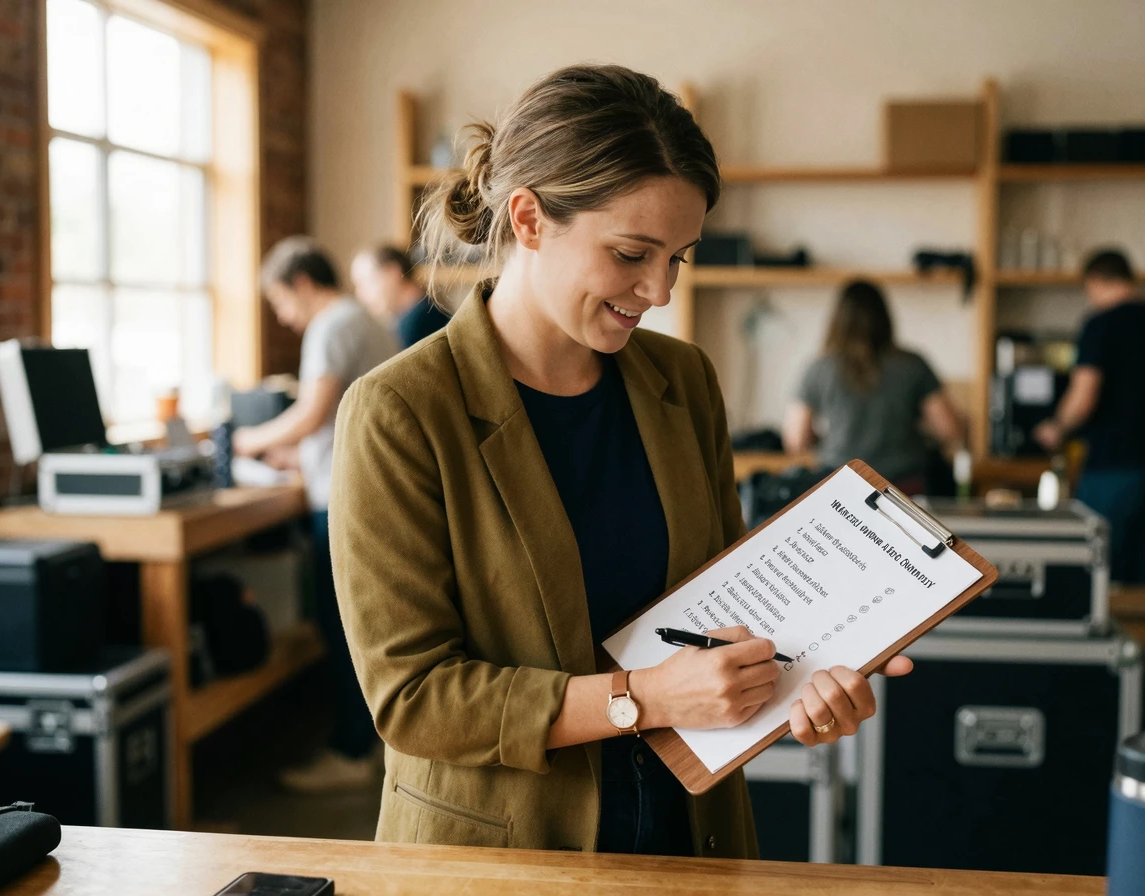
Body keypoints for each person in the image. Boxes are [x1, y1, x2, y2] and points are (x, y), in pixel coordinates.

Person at [329, 65, 911, 857]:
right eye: (633, 253)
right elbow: (415, 698)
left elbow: (728, 610)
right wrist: (642, 699)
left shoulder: (685, 381)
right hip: (502, 855)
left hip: (690, 834)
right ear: (529, 219)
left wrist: (799, 681)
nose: (659, 291)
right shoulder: (399, 411)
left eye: (678, 258)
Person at [235, 236, 399, 791]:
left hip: (343, 499)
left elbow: (311, 413)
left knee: (342, 626)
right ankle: (368, 744)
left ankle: (351, 751)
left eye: (281, 301)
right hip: (366, 490)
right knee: (364, 624)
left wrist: (245, 441)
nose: (283, 317)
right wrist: (296, 456)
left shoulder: (331, 326)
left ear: (303, 283)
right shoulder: (365, 319)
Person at [783, 280, 965, 495]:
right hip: (903, 488)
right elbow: (950, 429)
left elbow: (796, 440)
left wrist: (827, 439)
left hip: (840, 486)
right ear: (885, 318)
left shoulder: (819, 368)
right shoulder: (913, 365)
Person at [1034, 249, 1145, 583]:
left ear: (1094, 281)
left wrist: (1056, 427)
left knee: (1097, 571)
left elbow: (1084, 396)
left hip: (1113, 466)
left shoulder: (1100, 325)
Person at [350, 244, 450, 348]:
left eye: (365, 283)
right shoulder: (430, 308)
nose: (361, 295)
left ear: (393, 272)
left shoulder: (415, 324)